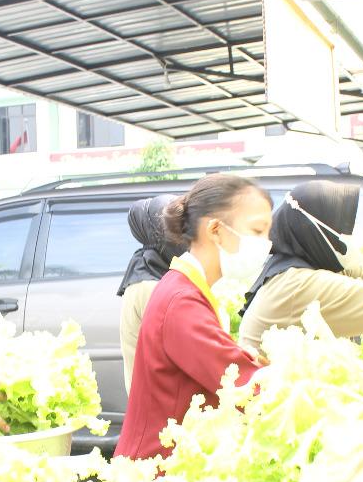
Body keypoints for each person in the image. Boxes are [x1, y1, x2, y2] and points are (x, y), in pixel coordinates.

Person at [115, 174, 273, 461]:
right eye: (257, 230)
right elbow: (244, 385)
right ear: (215, 229)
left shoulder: (183, 287)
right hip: (156, 471)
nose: (266, 244)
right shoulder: (182, 301)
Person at [239, 180, 363, 350]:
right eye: (343, 226)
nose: (351, 233)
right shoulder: (296, 285)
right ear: (313, 230)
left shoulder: (304, 264)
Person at [117, 194, 185, 395]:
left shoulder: (150, 272)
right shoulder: (150, 285)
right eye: (174, 230)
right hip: (157, 400)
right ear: (156, 234)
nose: (183, 239)